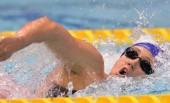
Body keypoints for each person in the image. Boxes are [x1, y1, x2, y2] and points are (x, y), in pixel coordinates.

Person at [0, 17, 160, 98]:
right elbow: (49, 27)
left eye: (145, 65)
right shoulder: (92, 67)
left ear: (148, 78)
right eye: (131, 54)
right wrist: (19, 40)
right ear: (121, 56)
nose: (132, 63)